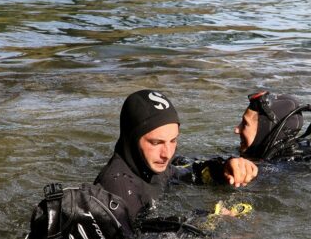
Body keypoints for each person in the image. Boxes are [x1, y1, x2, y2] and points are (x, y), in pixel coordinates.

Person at [94, 89, 258, 231]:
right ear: (131, 139)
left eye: (173, 141)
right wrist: (205, 221)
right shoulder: (116, 191)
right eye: (156, 143)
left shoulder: (151, 167)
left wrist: (223, 168)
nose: (167, 154)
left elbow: (187, 173)